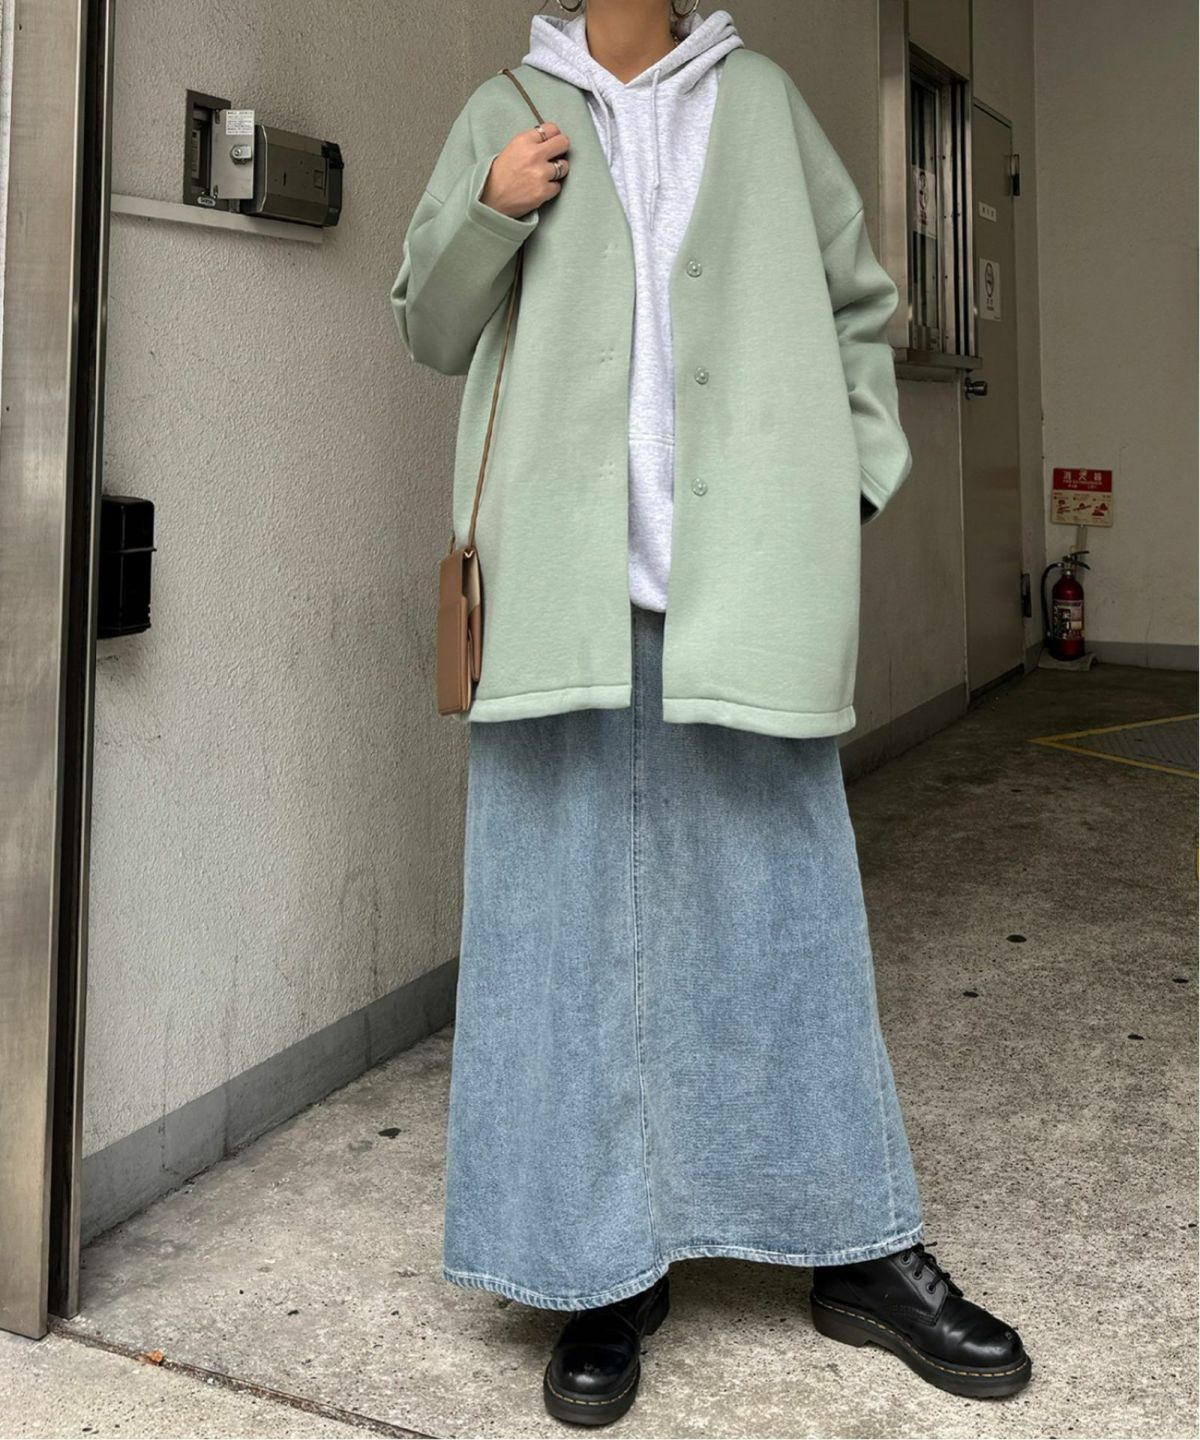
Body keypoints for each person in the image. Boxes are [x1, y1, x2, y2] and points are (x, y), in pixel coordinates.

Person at [390, 0, 1031, 1425]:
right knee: (559, 940)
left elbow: (861, 303)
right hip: (560, 599)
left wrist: (848, 480)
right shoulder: (506, 111)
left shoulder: (767, 106)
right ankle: (602, 1269)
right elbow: (430, 328)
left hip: (743, 591)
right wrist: (489, 210)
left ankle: (854, 1244)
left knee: (787, 913)